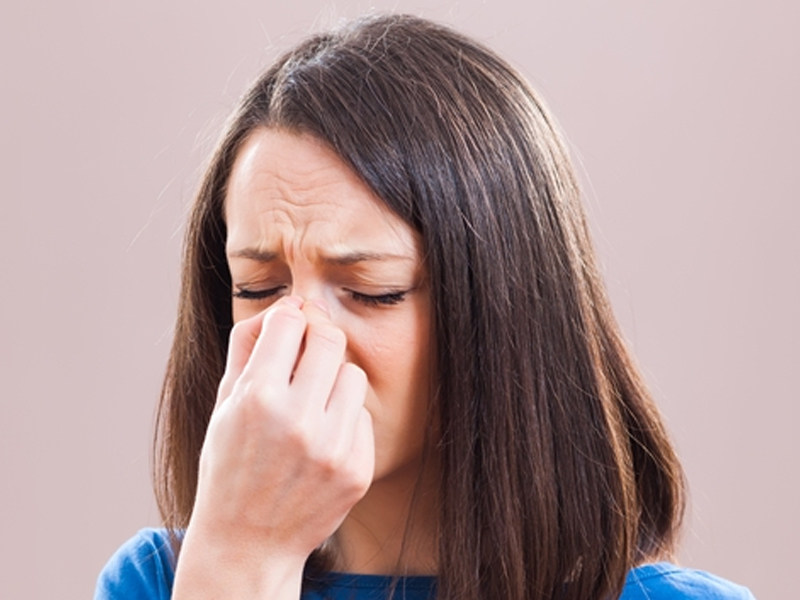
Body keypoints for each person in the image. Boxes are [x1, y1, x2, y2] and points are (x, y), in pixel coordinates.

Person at [95, 13, 755, 600]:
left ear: (502, 310)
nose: (295, 335)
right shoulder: (162, 582)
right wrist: (244, 559)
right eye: (258, 288)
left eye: (372, 291)